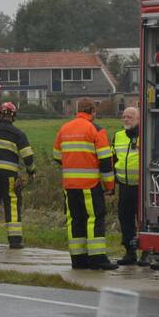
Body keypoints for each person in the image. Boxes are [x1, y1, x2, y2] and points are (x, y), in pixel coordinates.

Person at [54, 98, 118, 270]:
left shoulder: (64, 129)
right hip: (90, 185)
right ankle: (98, 259)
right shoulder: (96, 129)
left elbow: (57, 156)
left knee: (74, 219)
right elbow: (106, 161)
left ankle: (78, 259)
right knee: (94, 218)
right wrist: (109, 186)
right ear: (93, 111)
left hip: (70, 185)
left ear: (78, 110)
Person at [0, 102, 35, 249]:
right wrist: (31, 171)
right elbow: (28, 157)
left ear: (0, 115)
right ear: (13, 116)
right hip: (10, 176)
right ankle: (15, 240)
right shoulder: (18, 134)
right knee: (12, 205)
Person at [113, 107, 148, 266]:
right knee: (125, 218)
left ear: (139, 119)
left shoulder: (146, 135)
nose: (126, 119)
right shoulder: (118, 136)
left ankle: (147, 252)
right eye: (124, 116)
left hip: (143, 186)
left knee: (144, 220)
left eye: (130, 117)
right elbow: (113, 158)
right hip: (125, 185)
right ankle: (129, 252)